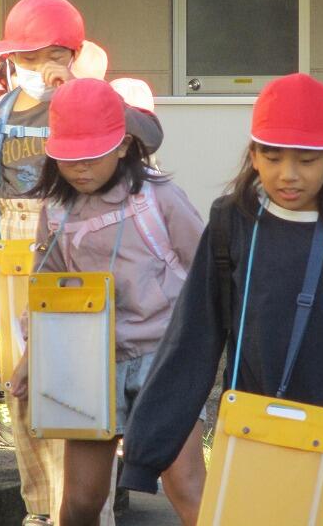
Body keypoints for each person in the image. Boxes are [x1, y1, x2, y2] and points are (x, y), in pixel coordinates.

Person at [120, 73, 323, 524]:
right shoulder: (231, 222)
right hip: (257, 440)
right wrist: (145, 452)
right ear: (253, 155)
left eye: (307, 160)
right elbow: (193, 340)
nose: (288, 174)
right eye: (272, 157)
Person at [0, 0, 164, 526]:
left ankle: (85, 510)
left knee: (76, 382)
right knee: (22, 388)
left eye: (49, 57)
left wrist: (80, 91)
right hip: (9, 254)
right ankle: (39, 508)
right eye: (26, 58)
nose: (37, 69)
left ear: (74, 55)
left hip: (74, 246)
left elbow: (148, 135)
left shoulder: (93, 100)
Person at [16, 78, 206, 526]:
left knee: (185, 483)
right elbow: (48, 291)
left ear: (122, 146)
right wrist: (30, 357)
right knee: (82, 499)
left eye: (92, 156)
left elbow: (207, 271)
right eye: (69, 159)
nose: (80, 169)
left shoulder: (159, 199)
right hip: (90, 362)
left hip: (164, 355)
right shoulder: (56, 211)